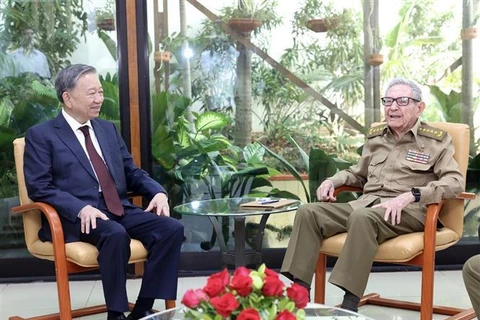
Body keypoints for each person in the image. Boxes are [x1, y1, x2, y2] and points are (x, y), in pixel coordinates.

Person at [281, 77, 465, 312]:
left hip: (407, 212)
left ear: (419, 107)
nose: (393, 107)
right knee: (309, 212)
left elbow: (455, 182)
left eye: (402, 101)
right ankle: (300, 298)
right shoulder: (377, 136)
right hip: (367, 205)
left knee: (363, 217)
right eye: (388, 101)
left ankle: (348, 307)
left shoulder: (436, 141)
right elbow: (358, 174)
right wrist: (332, 181)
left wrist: (413, 195)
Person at [23, 64, 184, 320]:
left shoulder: (106, 129)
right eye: (91, 93)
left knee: (171, 229)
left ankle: (143, 307)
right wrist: (79, 207)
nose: (99, 99)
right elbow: (39, 186)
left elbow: (131, 171)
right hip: (76, 216)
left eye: (100, 92)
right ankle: (116, 312)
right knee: (114, 233)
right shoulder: (41, 135)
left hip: (117, 207)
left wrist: (158, 191)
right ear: (67, 97)